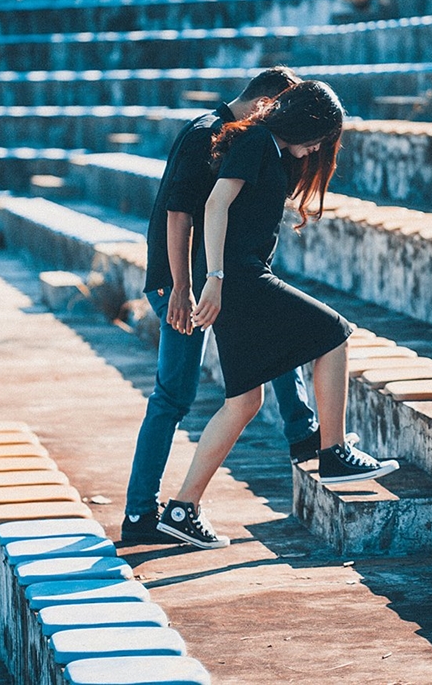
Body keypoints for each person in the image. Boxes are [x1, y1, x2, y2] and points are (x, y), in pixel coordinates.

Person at [155, 80, 397, 549]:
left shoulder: (266, 147)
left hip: (239, 279)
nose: (316, 150)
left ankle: (182, 509)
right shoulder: (255, 142)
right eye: (319, 138)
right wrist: (216, 278)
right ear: (303, 121)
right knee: (333, 332)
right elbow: (214, 205)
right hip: (241, 279)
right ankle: (333, 452)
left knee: (245, 403)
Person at [121, 66, 324, 543]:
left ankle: (303, 434)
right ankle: (139, 516)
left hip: (215, 280)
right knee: (173, 395)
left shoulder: (241, 138)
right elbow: (178, 215)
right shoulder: (204, 135)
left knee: (275, 334)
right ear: (264, 105)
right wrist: (180, 288)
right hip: (182, 285)